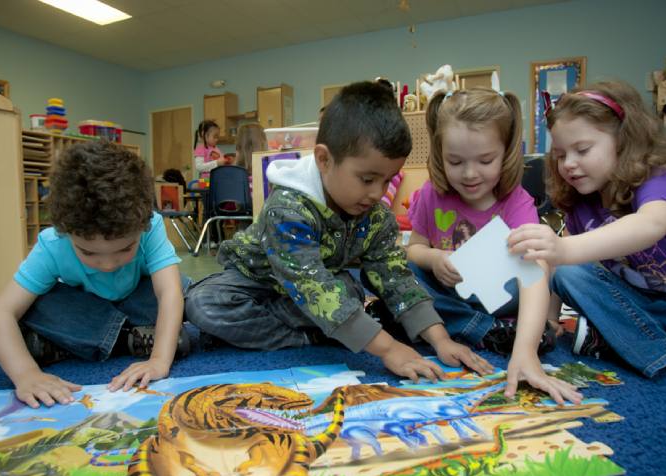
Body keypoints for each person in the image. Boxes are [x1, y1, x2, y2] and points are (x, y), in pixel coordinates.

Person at [185, 81, 494, 382]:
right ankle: (312, 336)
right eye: (367, 179)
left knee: (348, 292)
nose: (378, 193)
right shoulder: (287, 208)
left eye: (387, 180)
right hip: (254, 282)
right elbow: (312, 286)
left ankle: (326, 328)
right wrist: (387, 348)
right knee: (203, 304)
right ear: (324, 160)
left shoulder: (376, 217)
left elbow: (396, 277)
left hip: (305, 294)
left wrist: (440, 339)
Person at [507, 80, 666, 387]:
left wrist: (562, 248)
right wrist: (549, 322)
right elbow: (564, 273)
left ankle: (627, 342)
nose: (569, 164)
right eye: (560, 155)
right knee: (569, 274)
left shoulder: (658, 180)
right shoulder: (579, 204)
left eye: (583, 150)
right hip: (642, 306)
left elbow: (650, 225)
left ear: (624, 142)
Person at [406, 88, 580, 404]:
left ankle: (508, 331)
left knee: (542, 259)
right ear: (439, 154)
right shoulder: (431, 193)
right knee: (398, 269)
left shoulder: (516, 201)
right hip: (451, 292)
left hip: (507, 299)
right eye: (455, 161)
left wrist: (525, 352)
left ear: (506, 153)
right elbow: (414, 248)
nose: (470, 174)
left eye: (486, 160)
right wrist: (433, 257)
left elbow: (534, 274)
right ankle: (486, 329)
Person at [0, 141, 190, 408]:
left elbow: (169, 293)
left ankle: (82, 343)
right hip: (86, 309)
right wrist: (26, 374)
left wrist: (159, 361)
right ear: (65, 231)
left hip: (134, 304)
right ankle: (130, 338)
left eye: (125, 248)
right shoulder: (53, 243)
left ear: (143, 225)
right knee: (39, 306)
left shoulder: (150, 227)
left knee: (183, 289)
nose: (107, 265)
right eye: (88, 253)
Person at [193, 119, 229, 185]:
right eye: (215, 137)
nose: (217, 139)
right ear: (203, 134)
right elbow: (199, 167)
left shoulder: (215, 148)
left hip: (216, 180)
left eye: (217, 137)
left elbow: (221, 161)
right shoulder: (200, 148)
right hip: (205, 182)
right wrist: (217, 163)